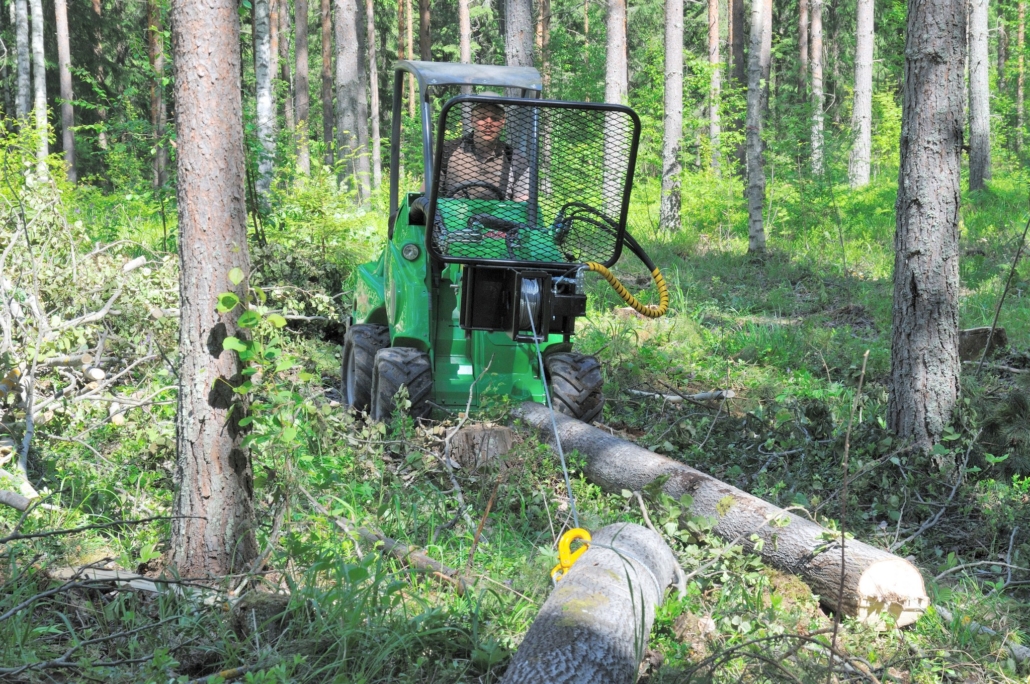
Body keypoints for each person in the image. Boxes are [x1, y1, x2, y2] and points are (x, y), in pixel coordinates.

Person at [438, 100, 530, 201]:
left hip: (498, 216)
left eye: (495, 118)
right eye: (482, 117)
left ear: (503, 121)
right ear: (472, 120)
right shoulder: (448, 150)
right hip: (454, 215)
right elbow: (427, 195)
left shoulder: (515, 158)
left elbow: (523, 205)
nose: (488, 123)